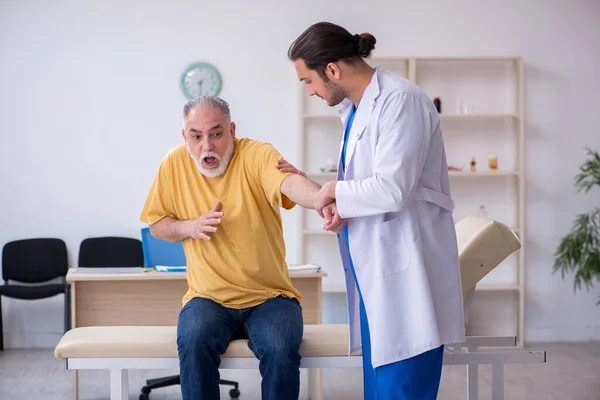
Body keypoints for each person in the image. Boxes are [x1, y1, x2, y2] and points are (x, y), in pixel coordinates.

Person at [286, 22, 466, 399]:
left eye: (308, 81)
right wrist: (344, 208)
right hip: (378, 277)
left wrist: (335, 190)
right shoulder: (357, 110)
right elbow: (371, 188)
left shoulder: (401, 100)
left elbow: (394, 188)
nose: (310, 91)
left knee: (402, 389)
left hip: (407, 276)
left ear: (332, 70)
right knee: (381, 389)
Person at [139, 96, 332, 400]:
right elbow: (157, 224)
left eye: (216, 134)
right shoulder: (173, 163)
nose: (207, 146)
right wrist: (189, 227)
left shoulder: (257, 154)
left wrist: (322, 197)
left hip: (270, 298)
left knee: (281, 349)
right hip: (208, 298)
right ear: (184, 136)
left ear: (232, 131)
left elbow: (290, 184)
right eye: (196, 136)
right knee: (192, 341)